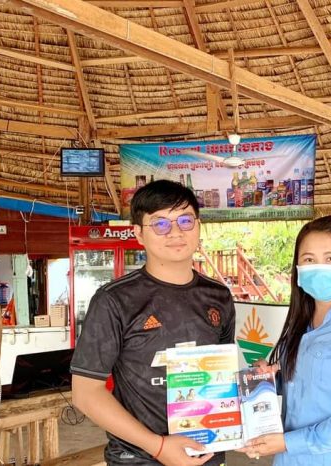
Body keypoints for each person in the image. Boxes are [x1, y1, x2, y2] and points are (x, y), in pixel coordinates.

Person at [70, 179, 235, 466]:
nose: (175, 232)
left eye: (185, 220)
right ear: (138, 233)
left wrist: (257, 382)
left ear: (198, 226)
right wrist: (158, 447)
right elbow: (85, 394)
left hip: (206, 453)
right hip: (138, 458)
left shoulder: (219, 296)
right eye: (160, 224)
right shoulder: (114, 300)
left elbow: (222, 376)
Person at [240, 216, 331, 465]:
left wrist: (289, 443)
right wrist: (267, 378)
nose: (319, 267)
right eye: (309, 259)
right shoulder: (300, 323)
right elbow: (302, 387)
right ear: (298, 268)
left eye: (330, 258)